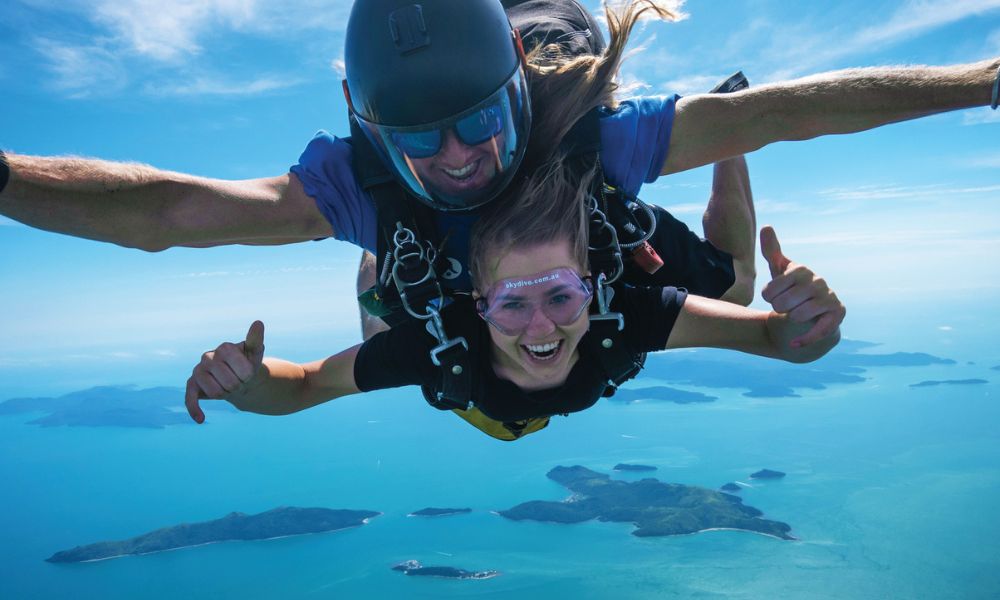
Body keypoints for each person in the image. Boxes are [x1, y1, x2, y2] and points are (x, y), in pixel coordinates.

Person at [0, 2, 996, 328]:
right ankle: (392, 259)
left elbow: (787, 112)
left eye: (478, 123)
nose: (458, 158)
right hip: (482, 84)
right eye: (417, 140)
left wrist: (983, 81)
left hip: (563, 84)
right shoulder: (362, 173)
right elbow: (169, 214)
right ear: (362, 119)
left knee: (732, 278)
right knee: (391, 301)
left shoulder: (590, 130)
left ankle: (716, 151)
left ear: (515, 81)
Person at [183, 155, 844, 441]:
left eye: (559, 297)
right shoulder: (617, 323)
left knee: (388, 314)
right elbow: (772, 337)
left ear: (590, 284)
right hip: (525, 264)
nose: (540, 330)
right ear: (480, 304)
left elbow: (302, 386)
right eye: (513, 305)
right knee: (735, 285)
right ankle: (393, 248)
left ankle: (393, 243)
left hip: (504, 289)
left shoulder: (442, 351)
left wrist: (247, 384)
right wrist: (803, 329)